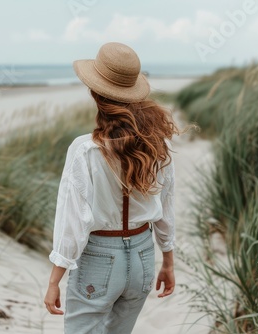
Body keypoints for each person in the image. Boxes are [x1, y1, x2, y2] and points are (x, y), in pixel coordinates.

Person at [44, 42, 178, 334]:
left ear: (95, 93)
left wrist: (55, 280)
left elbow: (73, 221)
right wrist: (167, 260)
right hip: (144, 255)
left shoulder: (85, 150)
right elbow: (165, 209)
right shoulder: (160, 144)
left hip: (99, 259)